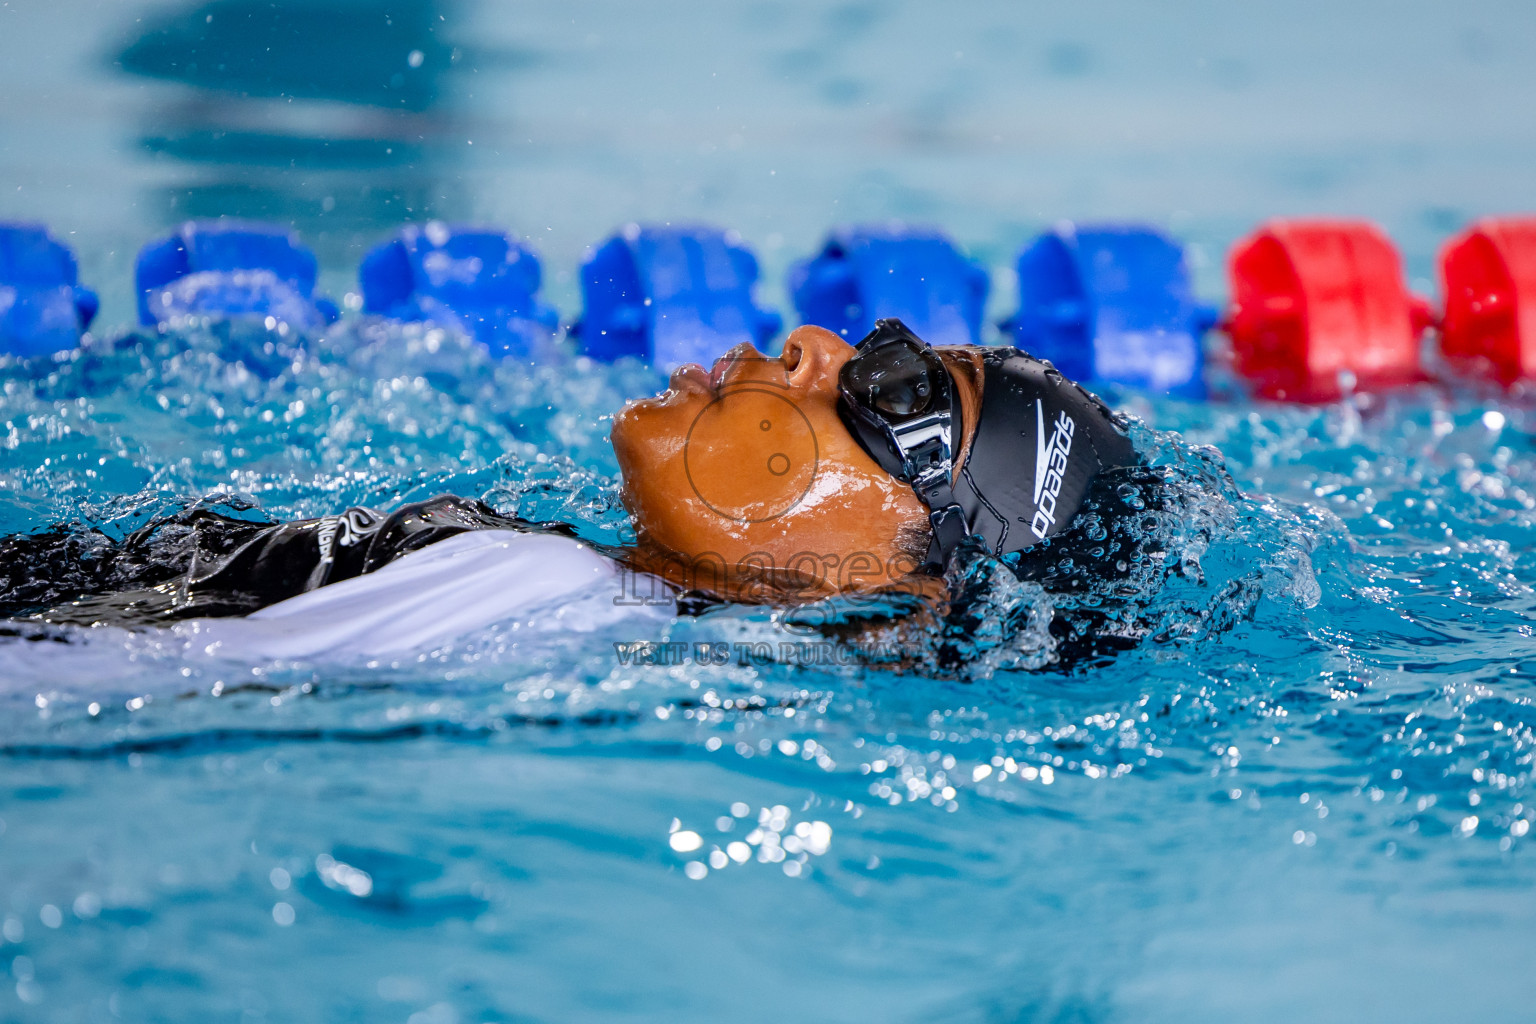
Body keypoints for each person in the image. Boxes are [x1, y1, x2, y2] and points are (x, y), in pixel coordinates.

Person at [0, 319, 1160, 667]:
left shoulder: (543, 592)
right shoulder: (576, 601)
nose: (812, 343)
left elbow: (82, 679)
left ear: (905, 583)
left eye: (897, 387)